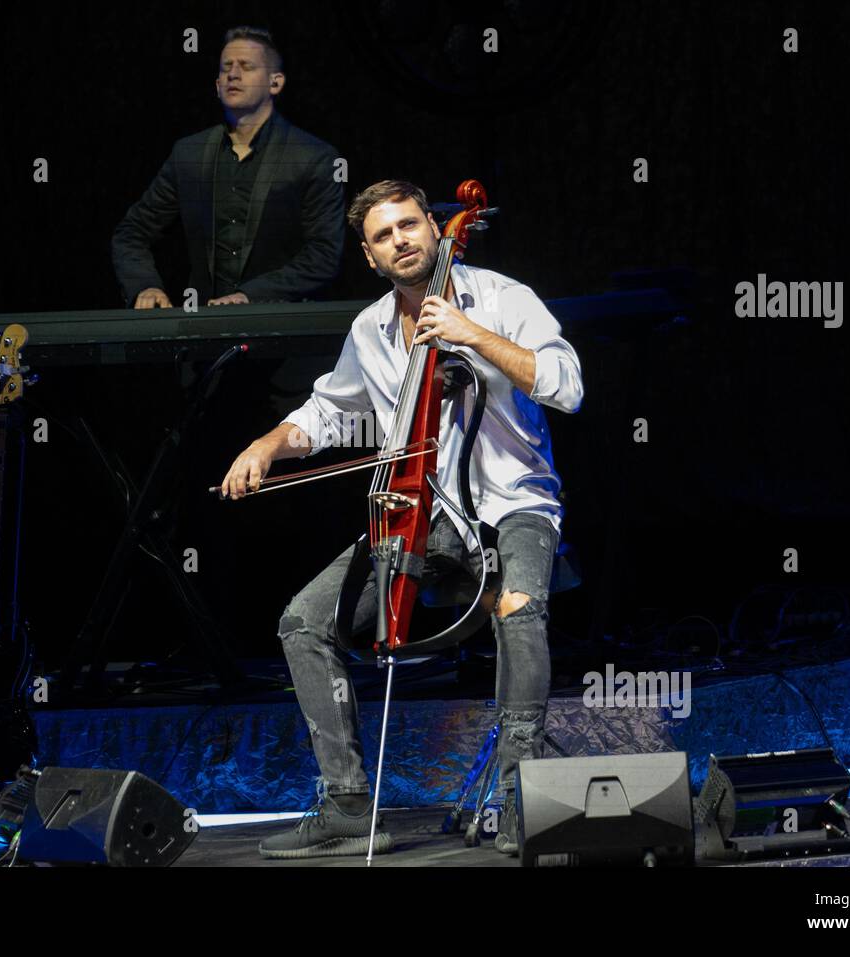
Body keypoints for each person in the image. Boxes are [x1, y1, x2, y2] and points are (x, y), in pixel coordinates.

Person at [219, 179, 584, 858]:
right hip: (421, 508)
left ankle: (519, 799)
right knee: (303, 621)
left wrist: (473, 334)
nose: (402, 240)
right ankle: (350, 802)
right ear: (369, 255)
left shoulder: (503, 298)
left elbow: (568, 384)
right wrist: (269, 443)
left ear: (434, 227)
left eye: (410, 224)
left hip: (515, 502)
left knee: (519, 606)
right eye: (384, 235)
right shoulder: (371, 329)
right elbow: (328, 412)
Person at [110, 26, 344, 308]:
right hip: (205, 330)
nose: (233, 74)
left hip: (282, 327)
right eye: (226, 68)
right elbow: (133, 231)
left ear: (275, 83)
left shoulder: (312, 156)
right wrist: (145, 286)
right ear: (217, 85)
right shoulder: (189, 153)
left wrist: (251, 295)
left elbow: (324, 254)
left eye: (246, 66)